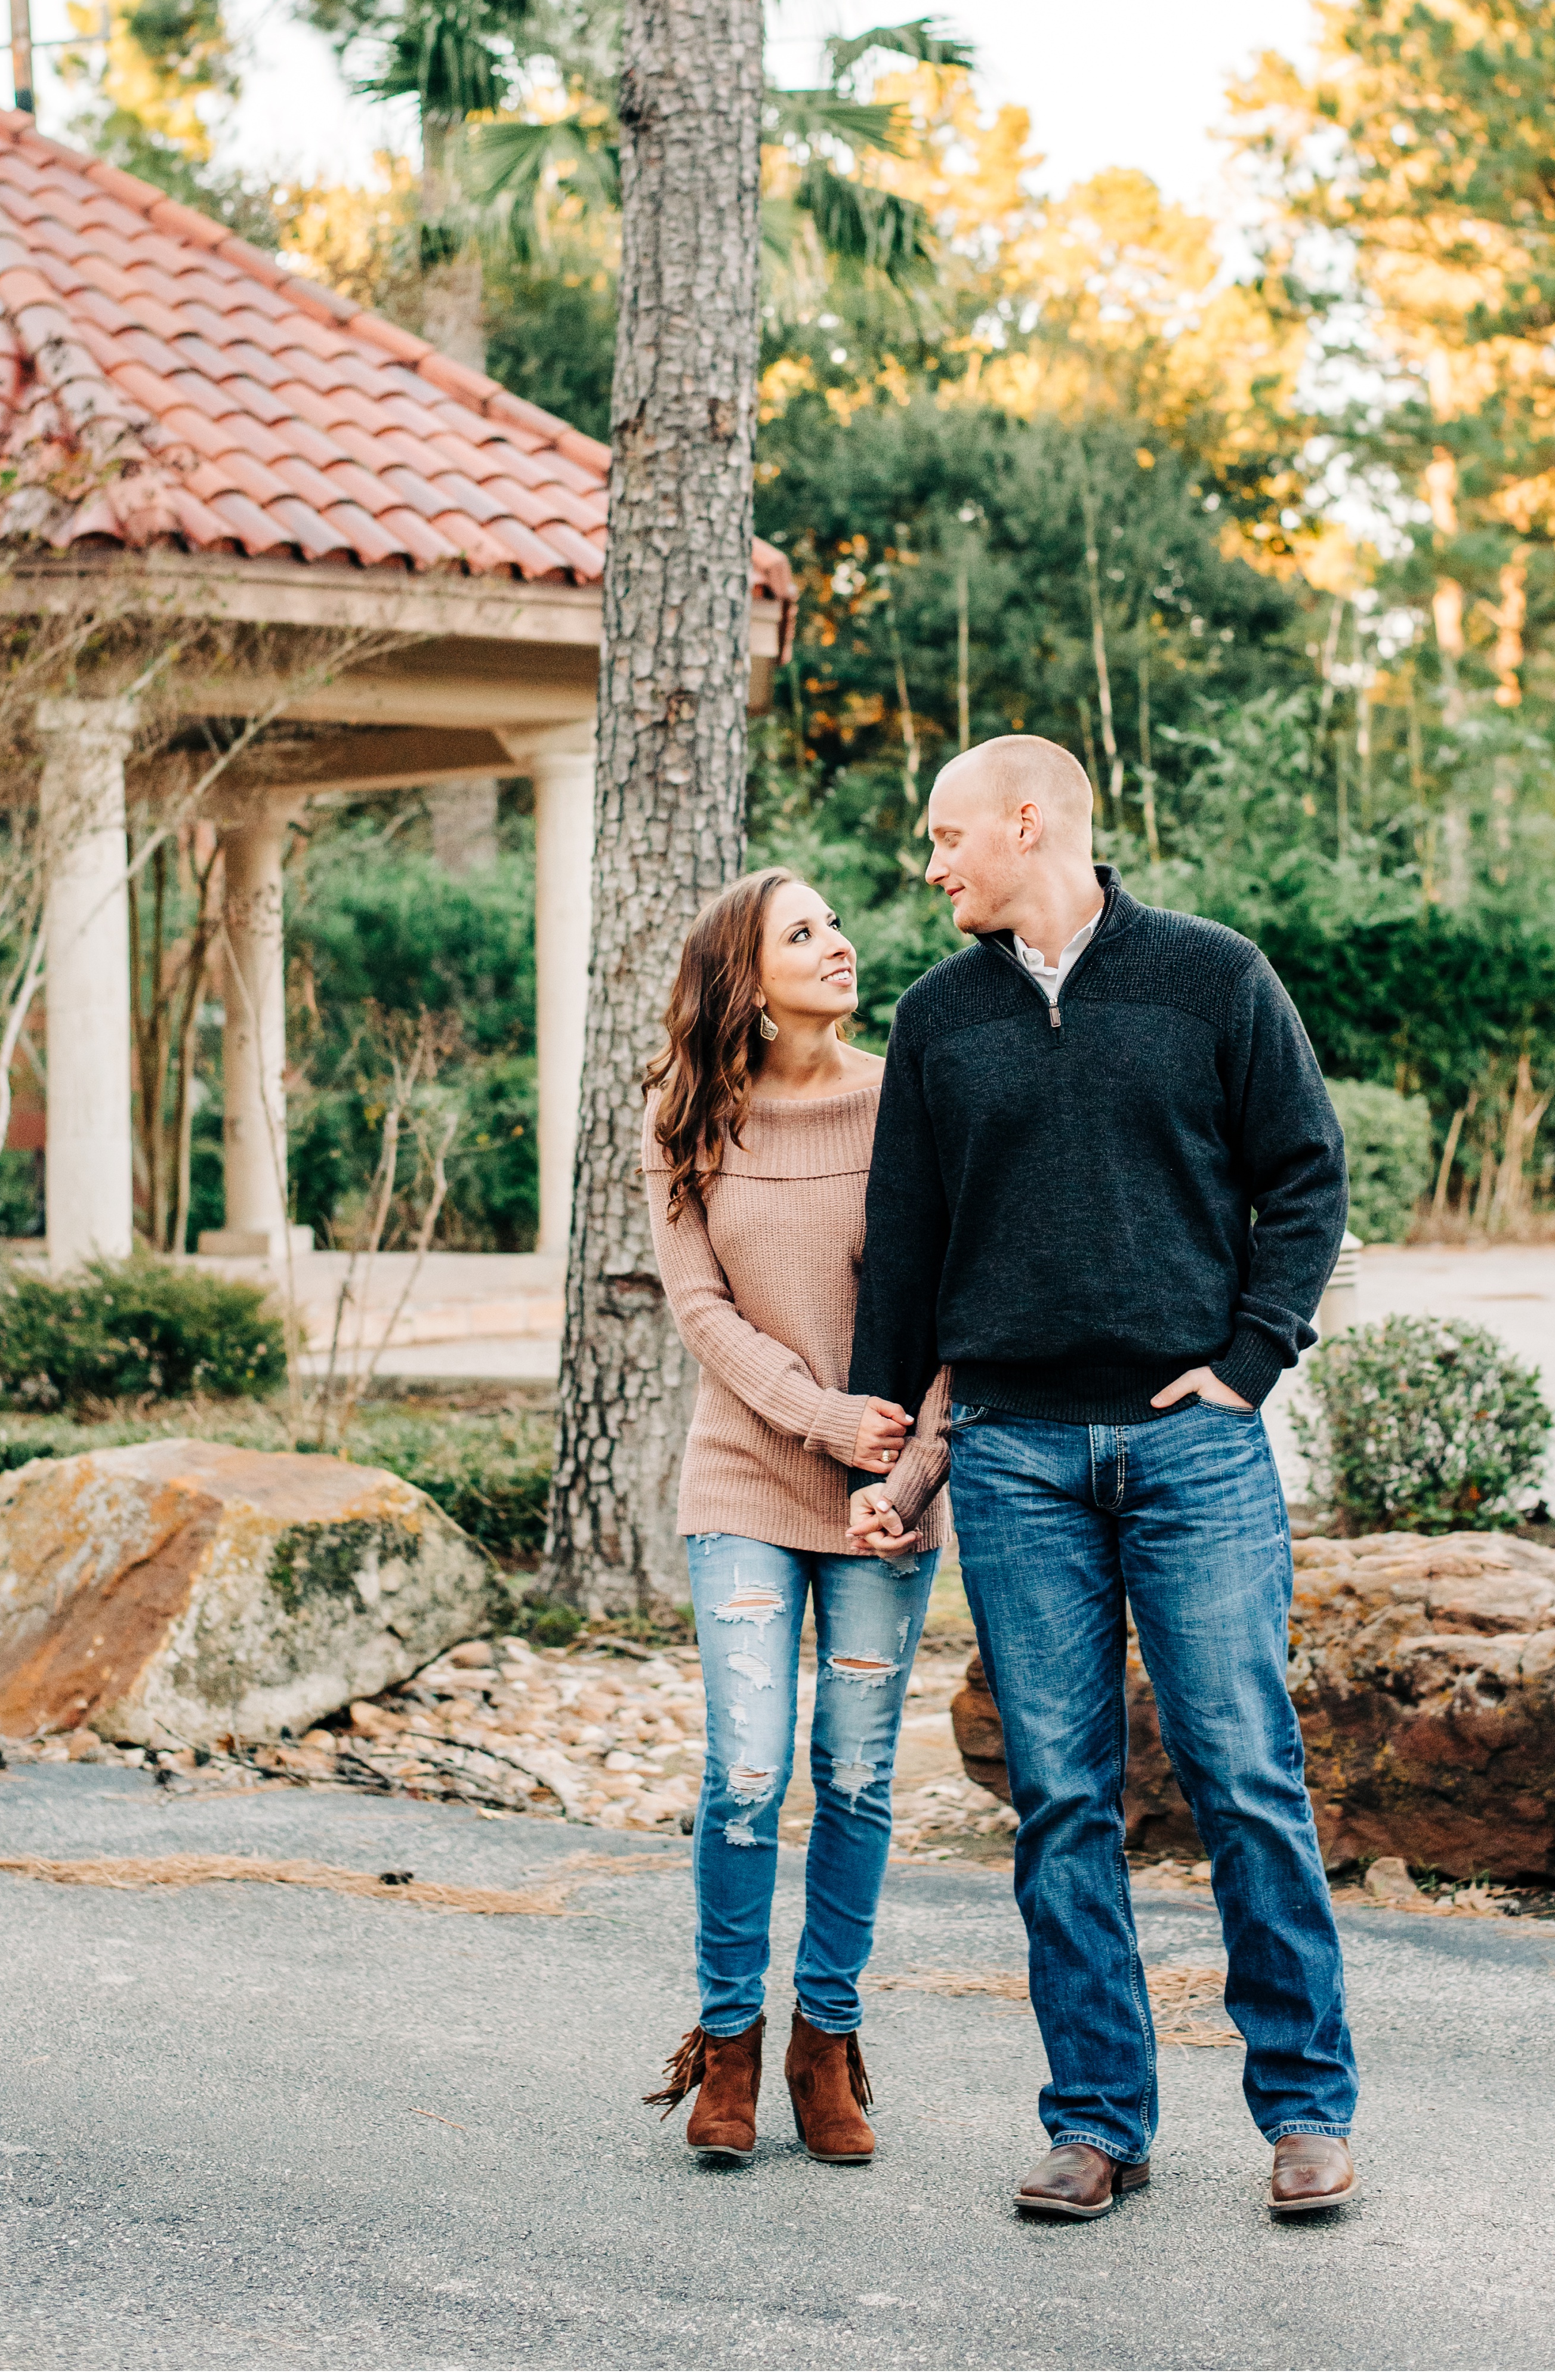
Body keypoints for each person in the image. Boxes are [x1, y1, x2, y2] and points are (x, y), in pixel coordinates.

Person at [844, 737, 1359, 2222]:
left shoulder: (1212, 974)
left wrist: (1251, 1358)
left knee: (1244, 1777)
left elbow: (1304, 1176)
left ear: (1029, 823)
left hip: (1192, 1444)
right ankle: (1094, 2121)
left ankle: (1307, 2111)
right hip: (1012, 1457)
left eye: (946, 835)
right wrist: (902, 1451)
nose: (930, 864)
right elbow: (910, 1239)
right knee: (1060, 1797)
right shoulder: (939, 1018)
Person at [640, 866, 949, 2169]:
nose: (839, 942)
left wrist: (914, 1466)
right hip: (747, 1482)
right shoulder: (685, 1115)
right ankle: (726, 2048)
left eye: (834, 923)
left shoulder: (914, 1099)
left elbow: (959, 1298)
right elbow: (700, 1307)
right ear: (745, 981)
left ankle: (826, 2045)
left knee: (862, 1774)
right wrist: (822, 1418)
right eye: (802, 932)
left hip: (889, 1498)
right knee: (752, 1768)